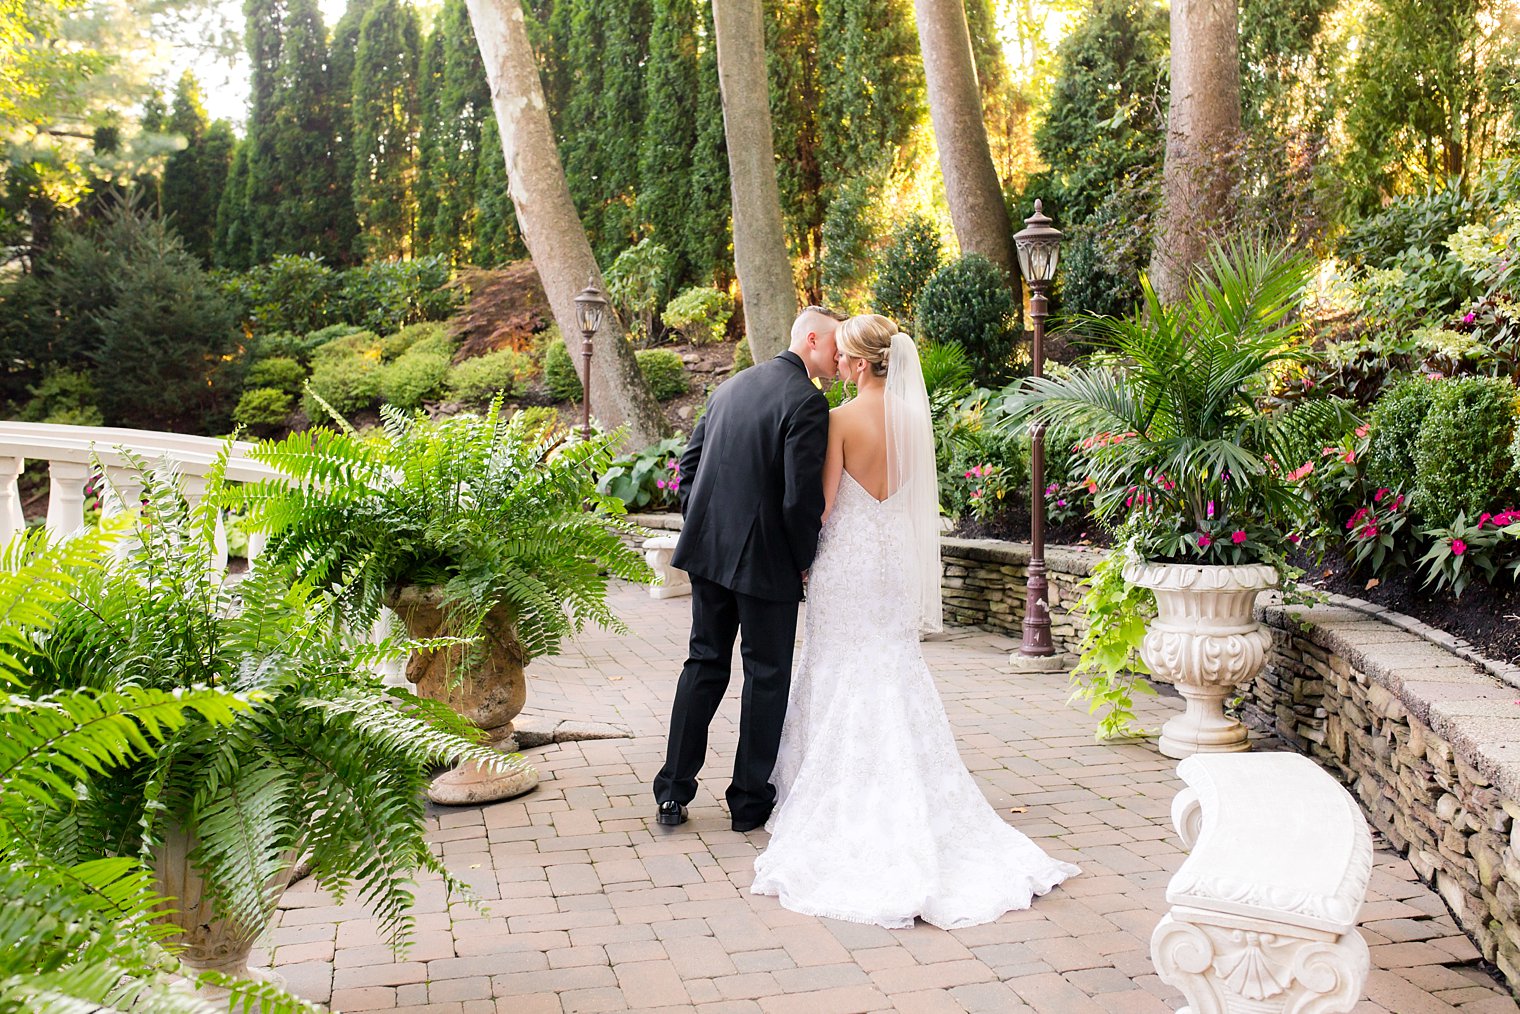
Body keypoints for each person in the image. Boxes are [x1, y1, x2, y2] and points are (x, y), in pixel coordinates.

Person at [750, 313, 1079, 929]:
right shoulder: (912, 419)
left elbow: (819, 509)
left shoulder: (839, 419)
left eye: (846, 357)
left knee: (837, 665)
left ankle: (837, 795)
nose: (840, 365)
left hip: (846, 565)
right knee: (890, 666)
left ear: (860, 362)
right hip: (890, 565)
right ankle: (915, 790)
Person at [652, 306, 843, 833]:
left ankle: (672, 790)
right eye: (833, 346)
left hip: (708, 554)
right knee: (766, 675)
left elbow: (687, 467)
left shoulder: (729, 387)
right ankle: (748, 801)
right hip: (767, 562)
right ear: (810, 339)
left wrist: (704, 523)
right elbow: (798, 499)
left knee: (703, 664)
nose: (839, 355)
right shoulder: (807, 401)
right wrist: (804, 559)